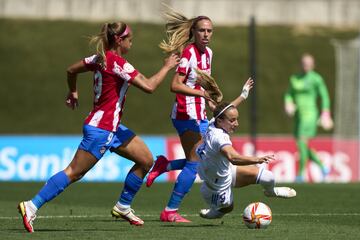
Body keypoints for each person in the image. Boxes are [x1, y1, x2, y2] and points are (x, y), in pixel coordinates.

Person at [17, 21, 180, 232]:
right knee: (74, 172)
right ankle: (31, 206)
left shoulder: (99, 58)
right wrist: (167, 66)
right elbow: (149, 86)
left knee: (146, 160)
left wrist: (72, 91)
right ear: (120, 40)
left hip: (112, 127)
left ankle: (123, 206)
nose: (132, 41)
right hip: (102, 129)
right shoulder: (118, 63)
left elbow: (70, 70)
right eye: (130, 38)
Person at [196, 102, 297, 219]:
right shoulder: (219, 137)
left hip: (226, 171)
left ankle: (271, 192)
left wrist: (243, 96)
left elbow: (223, 110)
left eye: (236, 119)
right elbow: (233, 158)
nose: (236, 123)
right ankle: (216, 212)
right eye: (232, 120)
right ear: (220, 121)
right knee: (228, 207)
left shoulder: (213, 122)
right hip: (215, 186)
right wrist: (257, 159)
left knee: (268, 176)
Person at [284, 53, 333, 182]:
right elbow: (288, 94)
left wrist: (325, 112)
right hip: (298, 116)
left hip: (310, 115)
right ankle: (323, 166)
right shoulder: (294, 78)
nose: (306, 65)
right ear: (301, 64)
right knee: (302, 144)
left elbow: (325, 96)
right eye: (304, 63)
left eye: (309, 63)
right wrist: (288, 103)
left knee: (301, 142)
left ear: (313, 65)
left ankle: (300, 175)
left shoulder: (316, 79)